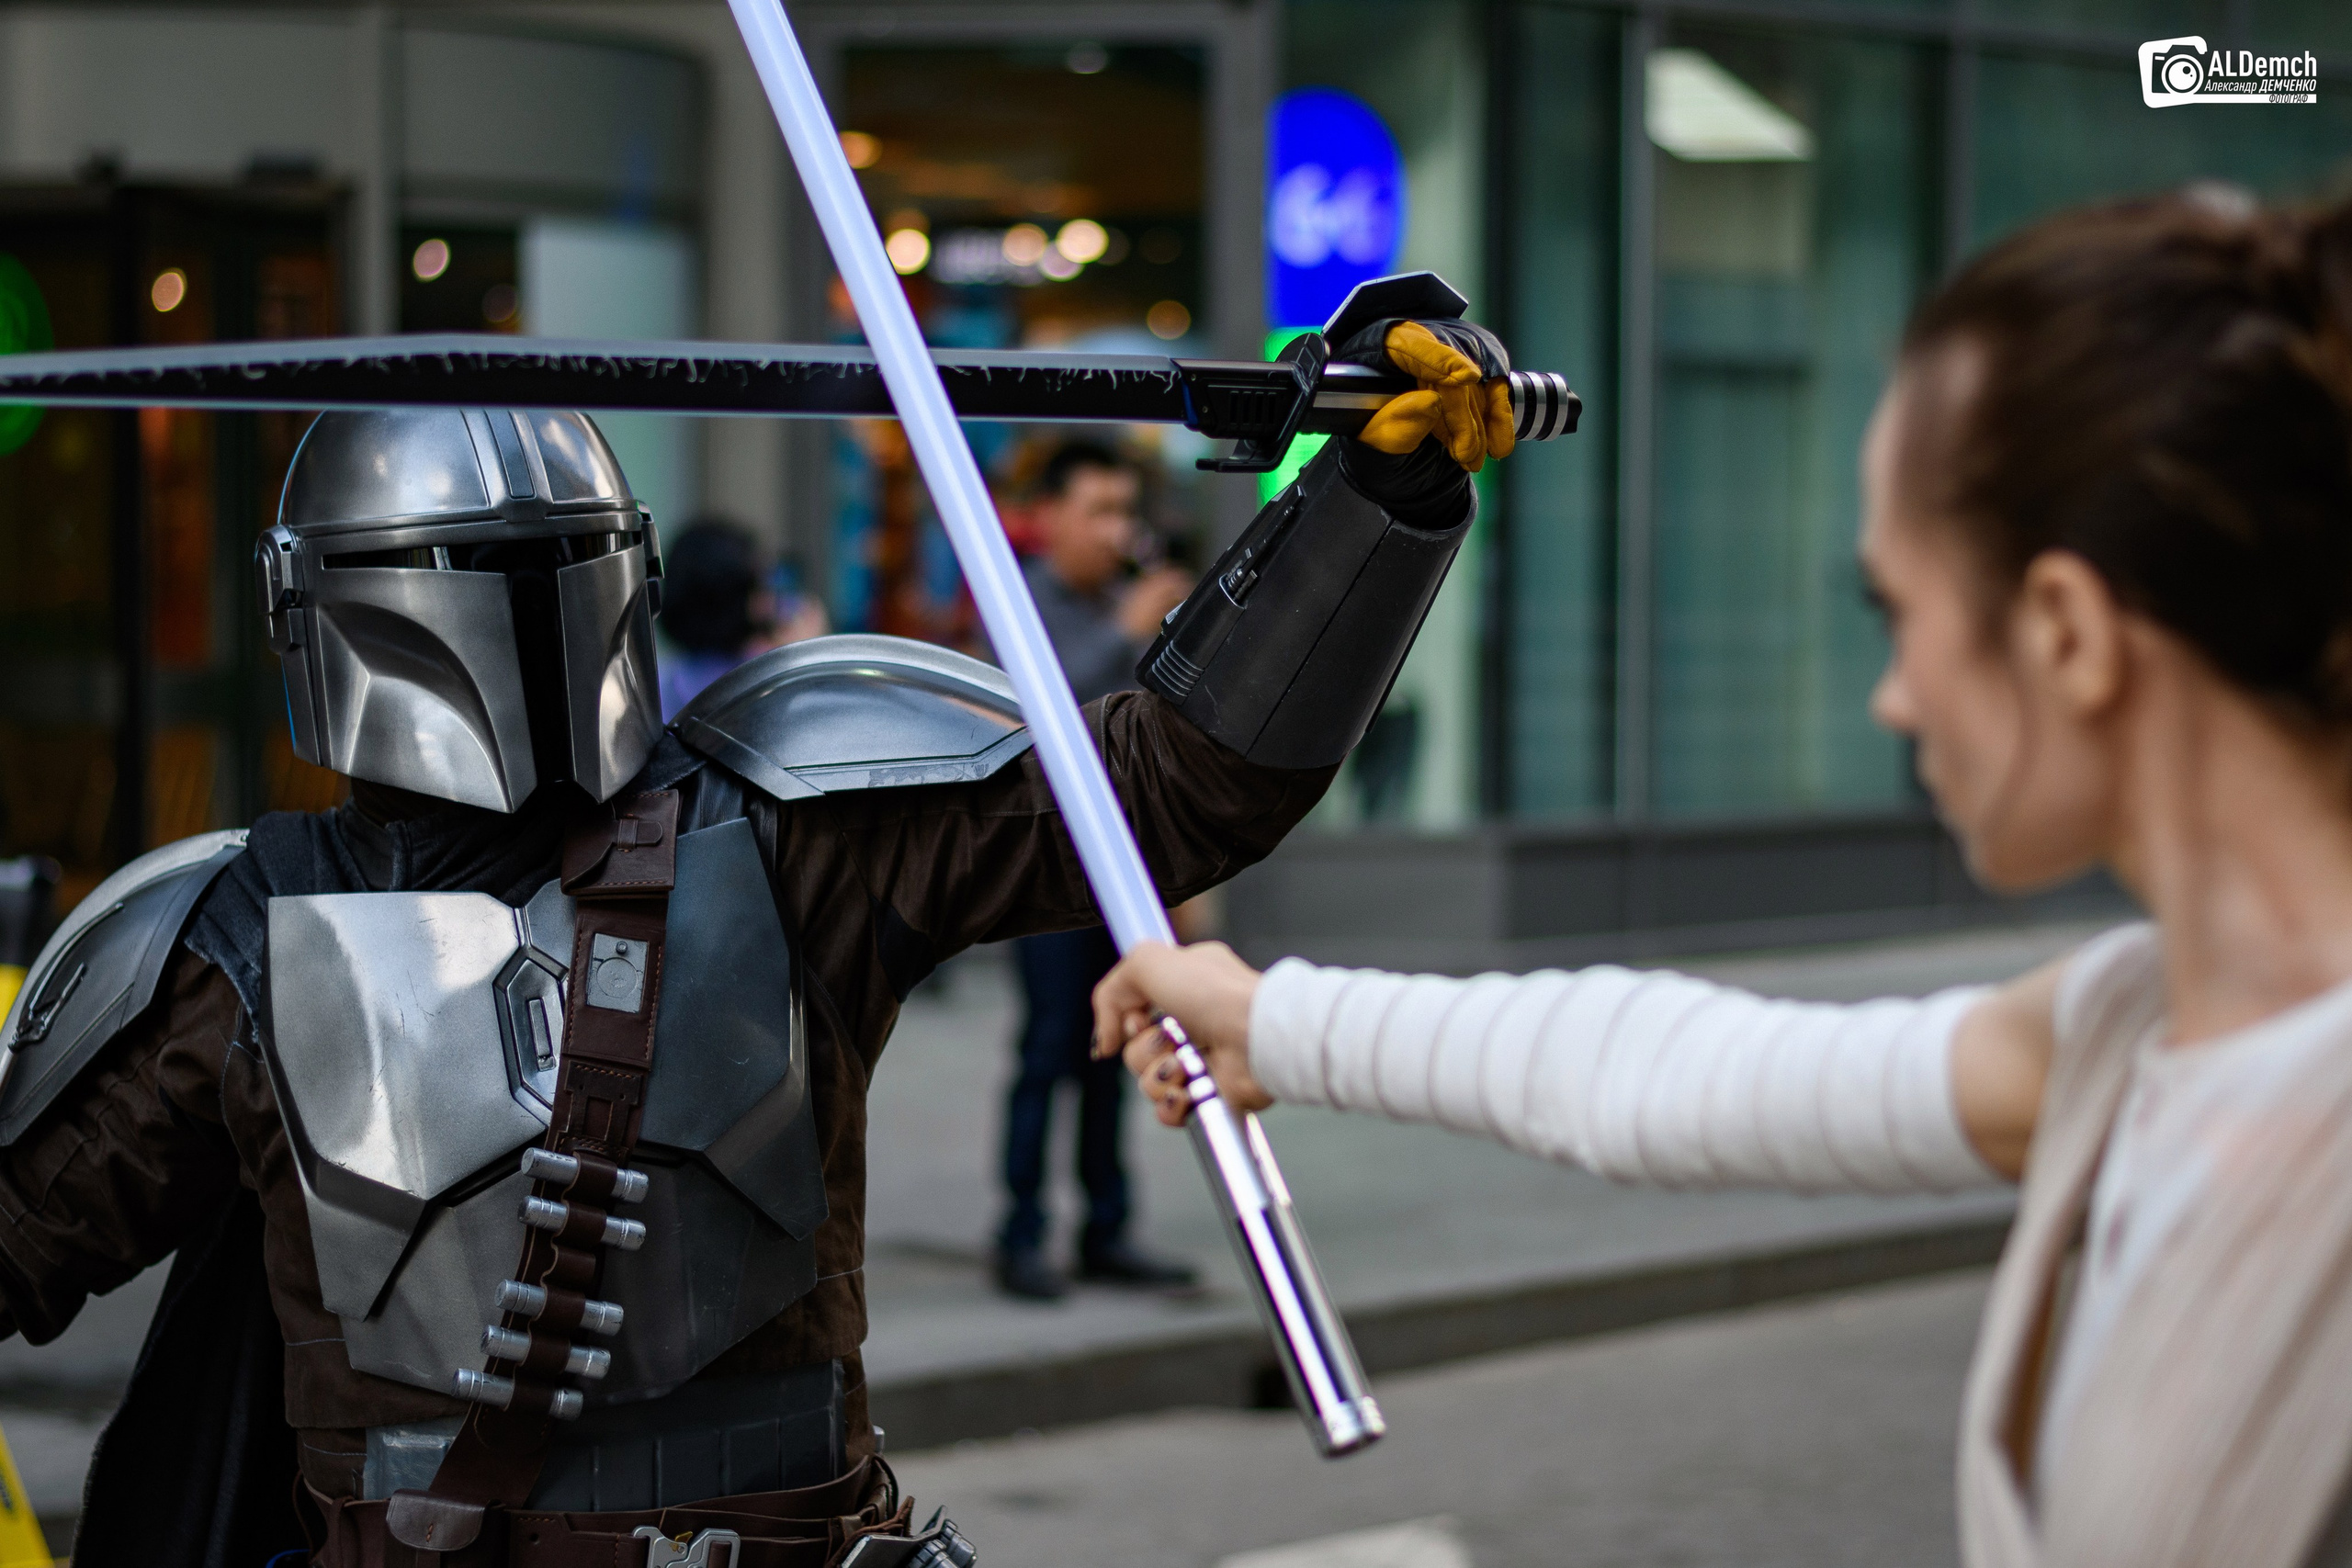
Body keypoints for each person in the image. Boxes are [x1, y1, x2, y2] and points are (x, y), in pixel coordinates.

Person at [0, 305, 1519, 1566]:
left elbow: (1171, 790)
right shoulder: (239, 940)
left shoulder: (789, 816)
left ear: (308, 613)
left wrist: (1369, 502)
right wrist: (1363, 500)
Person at [1100, 189, 2352, 1568]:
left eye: (1899, 610)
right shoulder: (2139, 1022)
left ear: (2065, 629)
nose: (1889, 697)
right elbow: (1693, 1070)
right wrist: (1271, 1016)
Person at [990, 441, 1198, 1301]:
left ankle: (1107, 1227)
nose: (1118, 531)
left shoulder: (1126, 601)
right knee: (1048, 1048)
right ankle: (1021, 1232)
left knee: (1119, 1049)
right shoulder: (1021, 607)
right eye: (1100, 511)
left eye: (1126, 512)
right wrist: (1127, 632)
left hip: (1126, 868)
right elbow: (1048, 710)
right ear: (1050, 520)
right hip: (1043, 873)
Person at [655, 517, 829, 719]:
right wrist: (807, 657)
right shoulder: (767, 681)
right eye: (758, 586)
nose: (771, 601)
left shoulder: (659, 686)